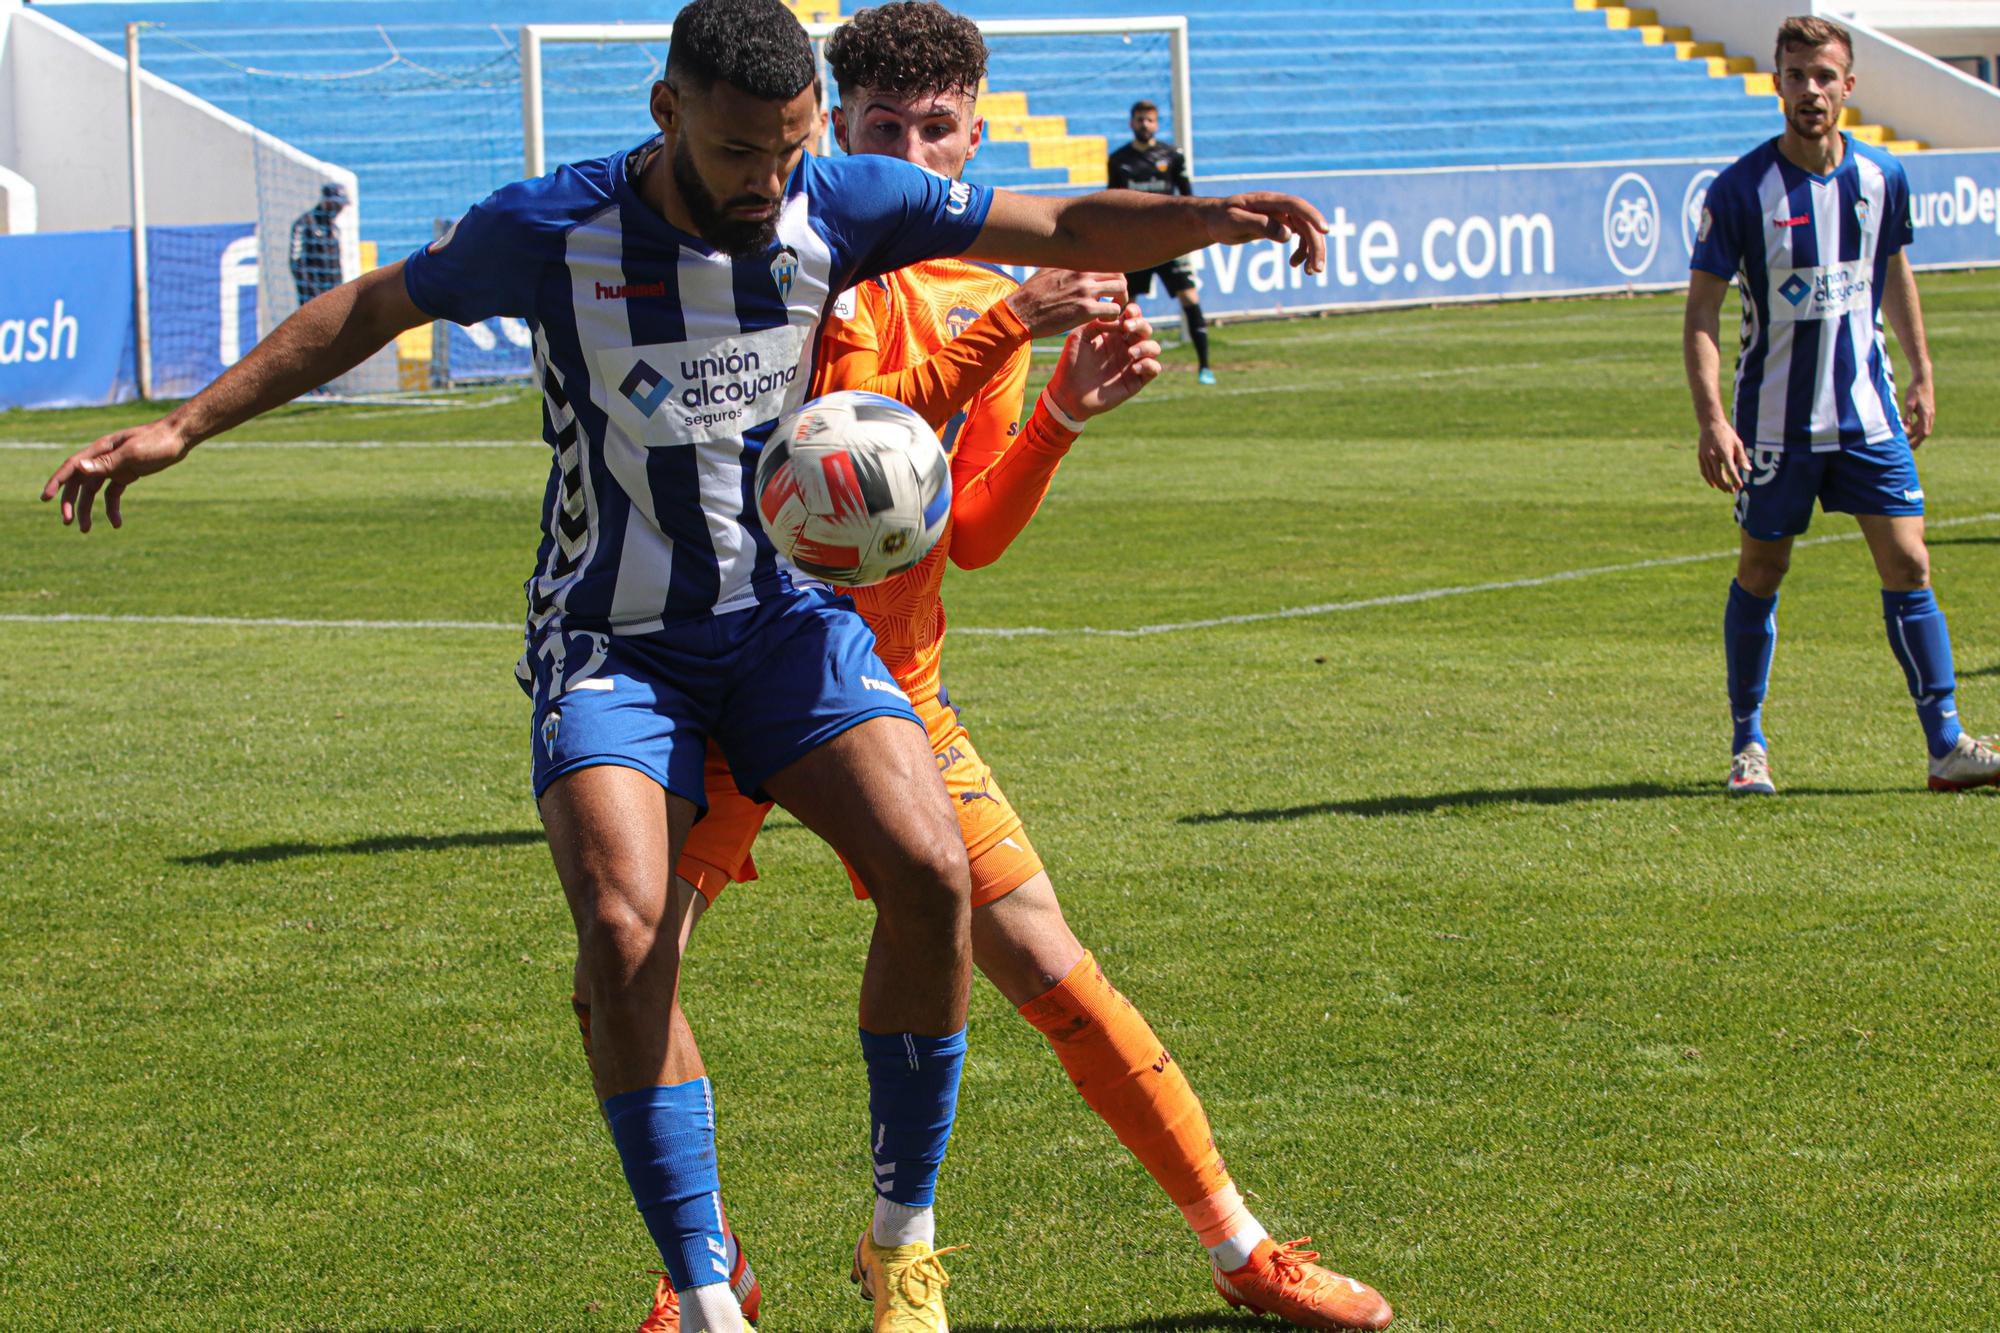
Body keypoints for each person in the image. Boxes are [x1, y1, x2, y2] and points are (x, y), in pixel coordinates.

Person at [40, 1, 1327, 1329]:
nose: (766, 189)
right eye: (735, 157)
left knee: (933, 871)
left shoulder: (842, 200)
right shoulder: (553, 228)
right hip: (614, 642)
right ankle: (710, 1291)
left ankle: (903, 1246)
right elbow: (374, 305)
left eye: (788, 152)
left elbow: (1056, 231)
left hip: (784, 627)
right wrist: (183, 427)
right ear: (667, 117)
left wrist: (1213, 214)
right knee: (622, 937)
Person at [608, 5, 1392, 1331]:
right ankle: (705, 1270)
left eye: (935, 133)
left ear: (975, 136)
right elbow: (828, 454)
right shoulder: (801, 270)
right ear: (836, 135)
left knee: (1036, 947)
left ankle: (1236, 1242)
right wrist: (1016, 326)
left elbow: (961, 531)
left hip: (889, 688)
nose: (909, 156)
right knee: (638, 962)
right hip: (724, 672)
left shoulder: (979, 291)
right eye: (882, 132)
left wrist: (1063, 417)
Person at [1684, 14, 1999, 796]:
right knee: (1762, 567)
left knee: (1911, 561)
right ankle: (1748, 745)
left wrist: (1921, 370)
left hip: (1868, 415)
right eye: (1796, 76)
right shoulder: (1739, 191)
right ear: (1778, 84)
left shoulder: (1881, 178)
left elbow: (1892, 271)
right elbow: (1701, 315)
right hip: (1773, 426)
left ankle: (1946, 745)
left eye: (1824, 77)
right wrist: (1714, 418)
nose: (1811, 91)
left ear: (1848, 85)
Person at [1108, 100, 1215, 384]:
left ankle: (1205, 366)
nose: (1145, 125)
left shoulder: (1172, 156)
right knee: (1125, 305)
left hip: (1170, 244)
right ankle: (1117, 364)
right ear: (1131, 123)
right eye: (1140, 119)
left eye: (1150, 120)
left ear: (1157, 124)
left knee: (1190, 297)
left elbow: (1189, 198)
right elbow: (1112, 203)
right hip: (1136, 245)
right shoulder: (1119, 160)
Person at [289, 183, 349, 308]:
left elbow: (336, 265)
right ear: (325, 202)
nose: (339, 209)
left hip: (333, 295)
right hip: (312, 298)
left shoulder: (333, 229)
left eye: (341, 205)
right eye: (336, 205)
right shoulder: (304, 224)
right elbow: (296, 262)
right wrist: (313, 294)